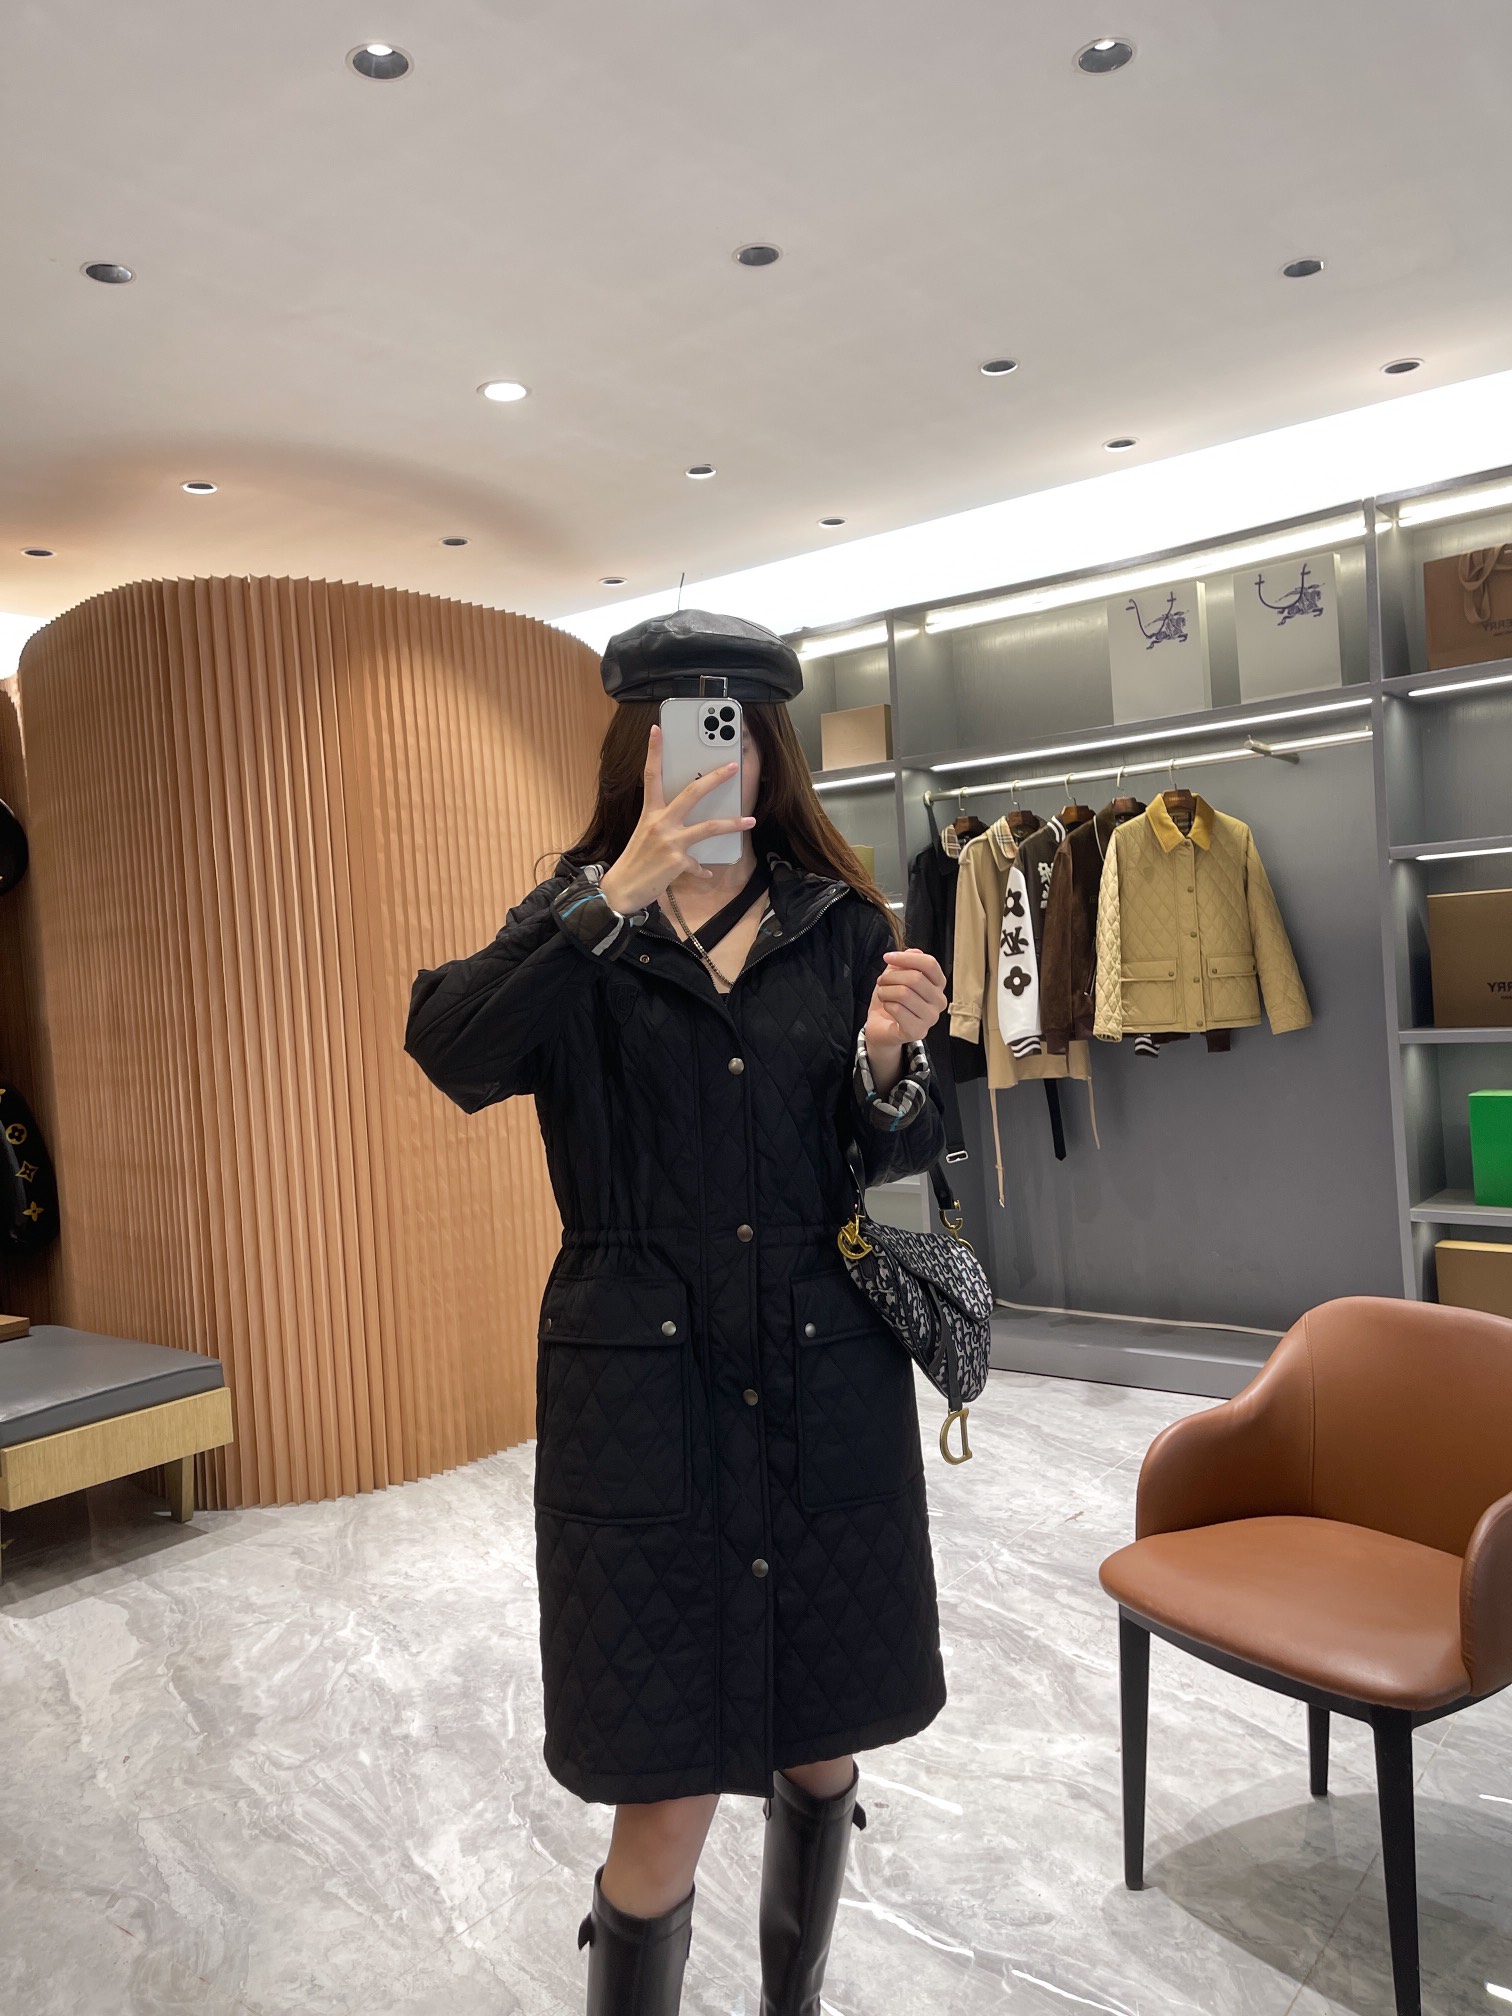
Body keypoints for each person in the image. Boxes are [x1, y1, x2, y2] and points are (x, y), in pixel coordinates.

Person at [404, 610, 951, 2015]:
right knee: (662, 1798)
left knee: (822, 1746)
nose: (717, 765)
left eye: (739, 739)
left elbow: (899, 1187)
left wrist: (891, 1072)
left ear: (770, 758)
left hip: (823, 1378)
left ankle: (792, 2003)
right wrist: (613, 896)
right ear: (636, 757)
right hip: (640, 1402)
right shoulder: (576, 922)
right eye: (684, 738)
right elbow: (452, 1049)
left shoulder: (844, 928)